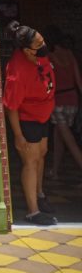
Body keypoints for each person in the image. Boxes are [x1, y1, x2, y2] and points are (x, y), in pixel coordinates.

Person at [3, 20, 57, 225]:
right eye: (39, 44)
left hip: (43, 116)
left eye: (42, 41)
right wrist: (18, 135)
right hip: (28, 119)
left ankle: (40, 194)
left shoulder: (39, 56)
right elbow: (12, 107)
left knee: (41, 154)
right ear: (27, 50)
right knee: (30, 160)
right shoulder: (17, 71)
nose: (43, 45)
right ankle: (33, 211)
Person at [47, 31, 82, 181]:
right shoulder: (70, 54)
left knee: (68, 139)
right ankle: (54, 171)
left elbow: (47, 82)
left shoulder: (49, 58)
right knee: (59, 136)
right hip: (72, 99)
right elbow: (79, 81)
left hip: (58, 100)